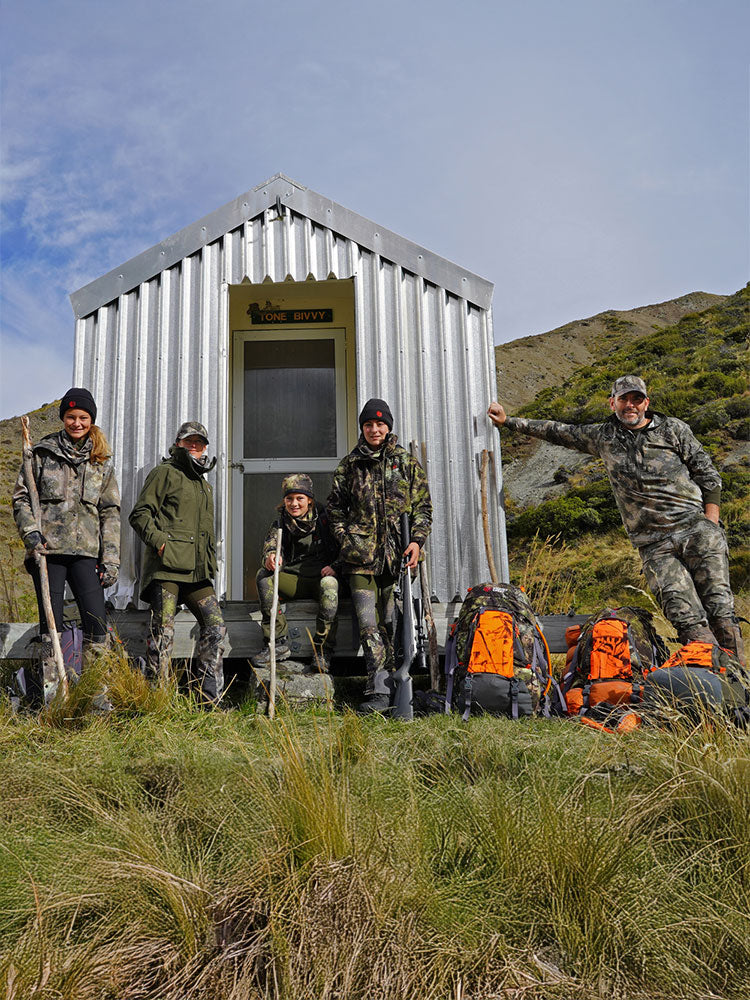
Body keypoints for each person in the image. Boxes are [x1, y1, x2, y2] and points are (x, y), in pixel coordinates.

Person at [488, 375, 745, 665]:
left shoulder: (673, 429)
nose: (630, 404)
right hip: (655, 545)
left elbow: (707, 473)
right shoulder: (603, 437)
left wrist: (711, 521)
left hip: (696, 530)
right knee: (685, 616)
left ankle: (738, 680)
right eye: (624, 399)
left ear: (646, 403)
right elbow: (557, 431)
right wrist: (508, 421)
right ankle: (712, 680)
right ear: (613, 403)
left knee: (720, 610)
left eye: (636, 399)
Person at [13, 387, 121, 706]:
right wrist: (32, 534)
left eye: (83, 417)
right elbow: (21, 498)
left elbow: (110, 512)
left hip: (86, 554)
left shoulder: (101, 461)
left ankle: (95, 696)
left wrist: (111, 559)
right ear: (63, 418)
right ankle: (53, 698)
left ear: (91, 420)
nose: (77, 423)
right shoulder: (41, 453)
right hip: (48, 554)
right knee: (52, 626)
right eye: (71, 417)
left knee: (96, 623)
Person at [327, 398, 432, 712]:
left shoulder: (406, 463)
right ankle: (378, 691)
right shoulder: (349, 465)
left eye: (380, 424)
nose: (374, 429)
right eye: (369, 424)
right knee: (368, 625)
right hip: (359, 561)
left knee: (391, 623)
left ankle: (398, 686)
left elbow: (423, 508)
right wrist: (348, 540)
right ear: (362, 428)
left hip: (397, 560)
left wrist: (416, 542)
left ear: (388, 427)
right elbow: (334, 510)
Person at [129, 421, 226, 706]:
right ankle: (156, 700)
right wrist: (161, 543)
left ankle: (208, 699)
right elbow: (140, 514)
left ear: (205, 447)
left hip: (196, 573)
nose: (194, 446)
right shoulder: (164, 473)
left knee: (216, 625)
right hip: (167, 570)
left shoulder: (204, 484)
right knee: (163, 632)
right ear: (178, 444)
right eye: (189, 441)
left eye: (199, 442)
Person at [253, 474, 339, 671]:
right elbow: (270, 546)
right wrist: (271, 557)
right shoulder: (280, 524)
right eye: (289, 498)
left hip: (321, 579)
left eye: (300, 498)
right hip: (293, 581)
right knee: (263, 576)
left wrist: (335, 566)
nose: (294, 504)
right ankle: (277, 643)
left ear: (309, 500)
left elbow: (345, 548)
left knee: (330, 584)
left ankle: (322, 651)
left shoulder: (326, 520)